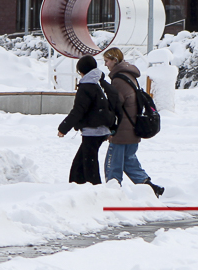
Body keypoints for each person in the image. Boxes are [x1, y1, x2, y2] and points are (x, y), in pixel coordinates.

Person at [101, 47, 164, 196]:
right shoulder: (130, 76)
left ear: (114, 60)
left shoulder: (118, 80)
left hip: (122, 129)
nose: (105, 64)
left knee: (112, 166)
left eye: (107, 61)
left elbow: (116, 104)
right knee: (129, 161)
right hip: (133, 126)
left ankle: (113, 193)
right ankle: (149, 187)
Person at [57, 54, 112, 184]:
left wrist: (63, 128)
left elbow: (78, 111)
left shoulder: (86, 86)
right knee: (80, 163)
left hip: (92, 131)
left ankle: (94, 190)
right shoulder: (97, 84)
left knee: (89, 164)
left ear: (82, 71)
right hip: (100, 129)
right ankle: (77, 187)